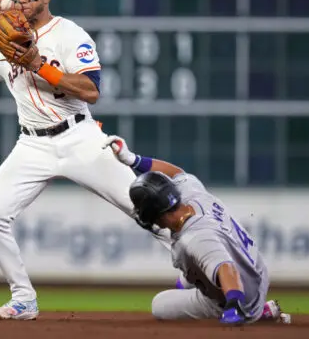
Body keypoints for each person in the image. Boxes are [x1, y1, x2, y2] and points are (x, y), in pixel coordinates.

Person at [0, 0, 171, 320]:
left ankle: (209, 280)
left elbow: (91, 91)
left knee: (147, 210)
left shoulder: (70, 34)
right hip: (32, 145)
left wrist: (41, 66)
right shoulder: (5, 45)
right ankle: (23, 298)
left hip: (79, 137)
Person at [103, 135, 289, 324]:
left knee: (160, 304)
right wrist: (133, 159)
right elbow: (176, 173)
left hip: (243, 292)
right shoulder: (192, 193)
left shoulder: (195, 238)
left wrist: (234, 304)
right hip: (255, 268)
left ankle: (258, 312)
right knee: (186, 278)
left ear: (153, 213)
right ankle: (250, 304)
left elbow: (226, 267)